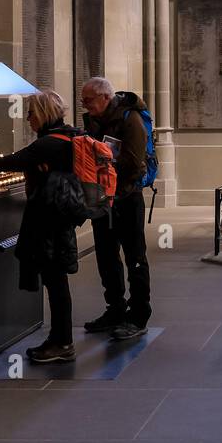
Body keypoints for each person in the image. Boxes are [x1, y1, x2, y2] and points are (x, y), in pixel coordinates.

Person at [0, 91, 80, 365]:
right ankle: (59, 339)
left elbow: (9, 162)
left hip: (50, 222)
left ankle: (62, 342)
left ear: (43, 114)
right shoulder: (70, 134)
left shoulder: (49, 144)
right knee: (56, 280)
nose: (28, 118)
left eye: (31, 113)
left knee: (55, 280)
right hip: (60, 218)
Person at [80, 76, 152, 340]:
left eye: (88, 100)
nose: (85, 105)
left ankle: (138, 316)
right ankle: (115, 311)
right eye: (82, 100)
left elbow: (134, 162)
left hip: (126, 198)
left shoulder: (129, 120)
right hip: (102, 199)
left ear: (105, 97)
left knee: (134, 257)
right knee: (106, 257)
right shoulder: (95, 120)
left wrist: (103, 169)